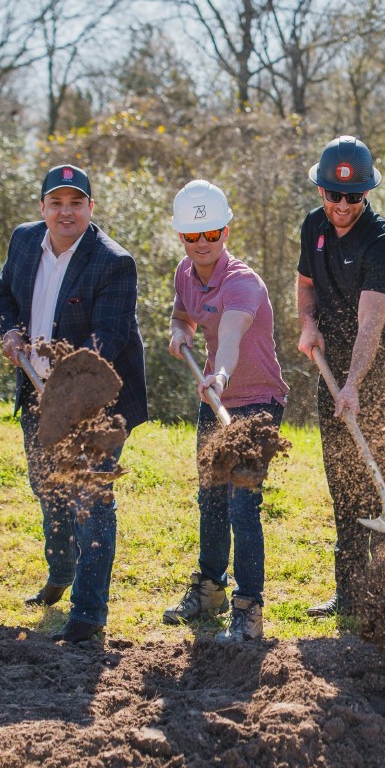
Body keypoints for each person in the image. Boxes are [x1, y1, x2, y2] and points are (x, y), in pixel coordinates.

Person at [0, 163, 147, 644]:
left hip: (97, 405)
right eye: (56, 203)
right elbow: (3, 296)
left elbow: (109, 338)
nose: (65, 212)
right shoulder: (23, 241)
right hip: (36, 396)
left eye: (75, 203)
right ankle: (61, 571)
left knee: (90, 501)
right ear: (42, 208)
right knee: (48, 490)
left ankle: (88, 614)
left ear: (90, 208)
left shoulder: (113, 262)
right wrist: (10, 330)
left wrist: (68, 394)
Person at [163, 180, 289, 642]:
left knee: (241, 502)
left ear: (226, 232)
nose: (202, 244)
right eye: (192, 236)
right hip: (216, 398)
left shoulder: (243, 282)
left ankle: (249, 608)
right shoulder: (185, 273)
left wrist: (219, 375)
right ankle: (211, 588)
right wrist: (180, 332)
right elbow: (183, 315)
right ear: (181, 237)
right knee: (210, 498)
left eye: (211, 234)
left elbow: (232, 334)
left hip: (255, 403)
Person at [295, 136, 385, 619]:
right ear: (322, 191)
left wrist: (355, 384)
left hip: (380, 373)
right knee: (342, 477)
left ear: (367, 195)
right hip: (331, 368)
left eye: (353, 197)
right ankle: (349, 591)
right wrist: (307, 324)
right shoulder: (313, 227)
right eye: (333, 195)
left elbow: (372, 324)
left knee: (383, 476)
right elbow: (305, 285)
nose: (341, 205)